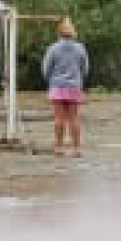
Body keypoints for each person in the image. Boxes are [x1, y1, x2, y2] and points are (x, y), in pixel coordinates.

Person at [41, 19, 90, 157]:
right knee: (74, 118)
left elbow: (46, 68)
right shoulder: (80, 48)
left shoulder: (52, 48)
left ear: (59, 32)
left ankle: (58, 147)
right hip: (74, 86)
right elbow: (85, 68)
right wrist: (78, 79)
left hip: (57, 86)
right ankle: (76, 148)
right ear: (73, 32)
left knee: (59, 118)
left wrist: (50, 79)